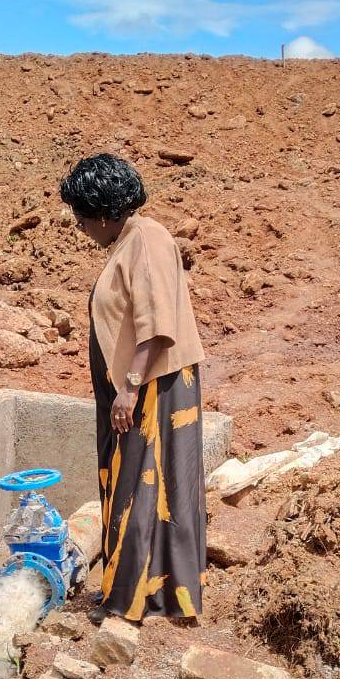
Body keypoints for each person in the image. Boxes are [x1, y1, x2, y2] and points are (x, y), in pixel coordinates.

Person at [60, 152, 206, 625]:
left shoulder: (146, 238)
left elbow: (157, 323)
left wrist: (129, 387)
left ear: (102, 213)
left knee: (142, 488)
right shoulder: (127, 242)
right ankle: (138, 591)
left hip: (153, 387)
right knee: (138, 485)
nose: (79, 227)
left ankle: (137, 599)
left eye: (82, 218)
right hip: (136, 387)